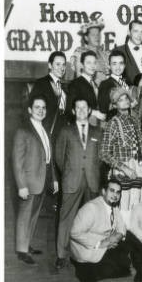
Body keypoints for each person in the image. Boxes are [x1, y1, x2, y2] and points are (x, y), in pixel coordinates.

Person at [54, 97, 102, 270]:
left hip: (92, 181)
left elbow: (101, 159)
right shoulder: (65, 131)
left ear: (89, 110)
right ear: (73, 111)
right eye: (78, 108)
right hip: (71, 181)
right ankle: (61, 255)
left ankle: (90, 252)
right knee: (66, 219)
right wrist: (69, 172)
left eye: (85, 107)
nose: (81, 111)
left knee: (92, 220)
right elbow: (59, 158)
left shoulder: (98, 132)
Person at [12, 96, 59, 264]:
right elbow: (17, 161)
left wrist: (53, 179)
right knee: (25, 215)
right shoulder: (23, 131)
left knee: (33, 215)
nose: (41, 110)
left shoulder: (45, 129)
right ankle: (21, 250)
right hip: (29, 181)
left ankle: (27, 244)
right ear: (30, 110)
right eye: (37, 107)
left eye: (43, 107)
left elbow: (49, 157)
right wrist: (21, 185)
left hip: (43, 178)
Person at [69, 179, 131, 282]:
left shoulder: (114, 207)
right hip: (86, 248)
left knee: (125, 264)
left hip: (106, 245)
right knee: (91, 280)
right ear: (103, 191)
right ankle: (82, 266)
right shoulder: (91, 208)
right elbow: (74, 233)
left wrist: (115, 238)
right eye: (112, 190)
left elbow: (122, 229)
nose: (115, 195)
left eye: (118, 192)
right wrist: (101, 243)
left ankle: (95, 268)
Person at [100, 87, 142, 226]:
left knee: (136, 206)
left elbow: (141, 145)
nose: (125, 101)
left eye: (126, 98)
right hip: (123, 171)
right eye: (120, 100)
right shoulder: (113, 123)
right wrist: (124, 168)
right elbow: (104, 153)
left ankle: (134, 237)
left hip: (138, 169)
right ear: (114, 105)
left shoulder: (135, 120)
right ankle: (121, 237)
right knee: (123, 208)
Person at [29, 50, 68, 139]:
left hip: (62, 134)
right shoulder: (42, 83)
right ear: (50, 65)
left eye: (63, 65)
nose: (61, 68)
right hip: (47, 133)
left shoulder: (64, 87)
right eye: (58, 64)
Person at [65, 50, 105, 126]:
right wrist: (94, 112)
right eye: (89, 63)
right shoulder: (75, 84)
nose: (92, 66)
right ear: (82, 65)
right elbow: (69, 110)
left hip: (95, 127)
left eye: (94, 63)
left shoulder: (95, 84)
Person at [68, 18, 110, 83]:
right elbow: (79, 79)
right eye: (93, 35)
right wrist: (96, 73)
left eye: (98, 34)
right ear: (86, 38)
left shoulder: (104, 55)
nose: (97, 37)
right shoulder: (80, 53)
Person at [116, 19, 142, 86]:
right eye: (136, 31)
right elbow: (116, 77)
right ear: (129, 32)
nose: (139, 35)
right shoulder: (118, 51)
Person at [98, 50, 131, 117]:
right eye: (114, 64)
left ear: (124, 65)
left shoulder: (128, 82)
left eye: (121, 63)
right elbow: (103, 109)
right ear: (109, 66)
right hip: (115, 123)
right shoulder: (105, 84)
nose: (118, 67)